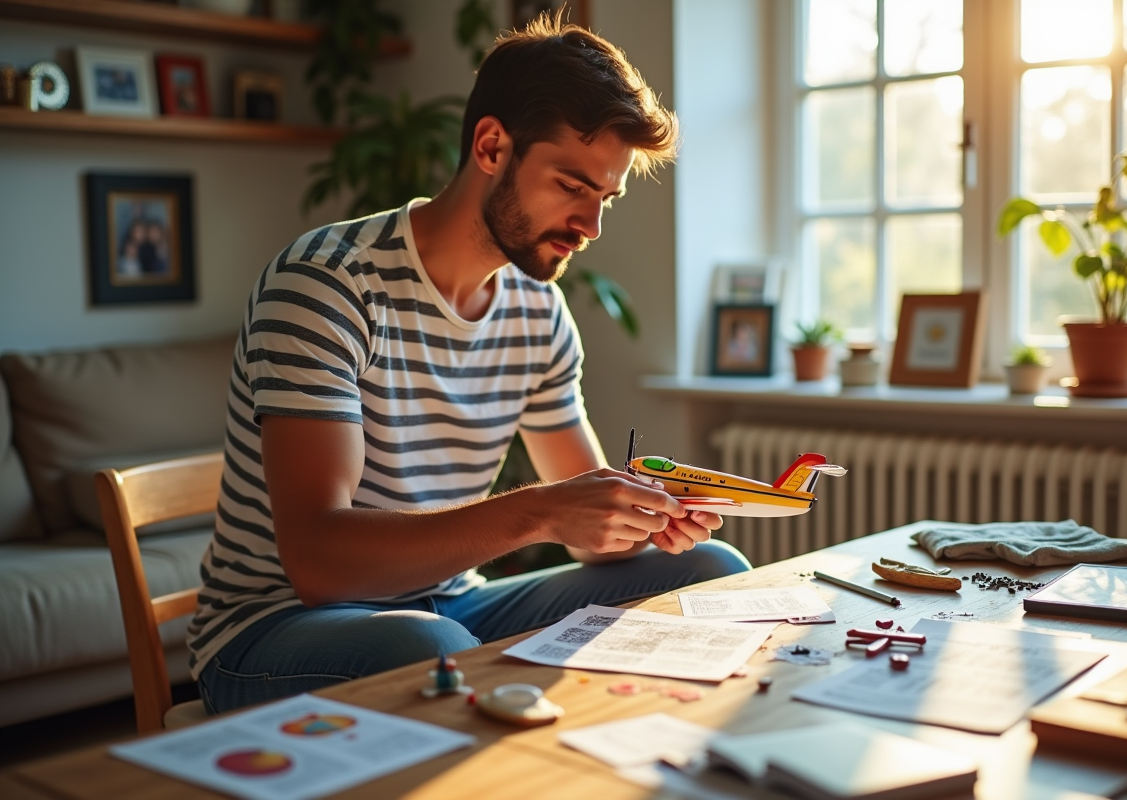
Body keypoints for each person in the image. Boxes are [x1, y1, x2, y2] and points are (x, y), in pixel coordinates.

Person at [187, 14, 750, 714]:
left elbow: (586, 526)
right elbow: (320, 565)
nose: (591, 225)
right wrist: (540, 512)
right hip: (273, 629)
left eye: (605, 198)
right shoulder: (327, 284)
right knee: (429, 648)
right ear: (491, 146)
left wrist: (635, 516)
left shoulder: (537, 312)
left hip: (451, 608)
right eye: (572, 186)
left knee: (708, 573)